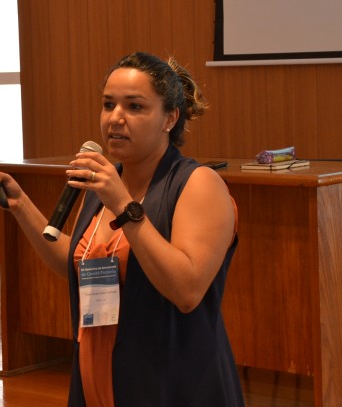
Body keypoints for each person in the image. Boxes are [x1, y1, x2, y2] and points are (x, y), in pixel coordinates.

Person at [0, 52, 245, 406]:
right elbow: (81, 264)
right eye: (108, 104)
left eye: (134, 107)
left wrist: (123, 206)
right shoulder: (105, 185)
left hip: (172, 381)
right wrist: (21, 206)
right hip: (98, 369)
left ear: (169, 118)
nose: (115, 118)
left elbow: (187, 290)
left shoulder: (197, 184)